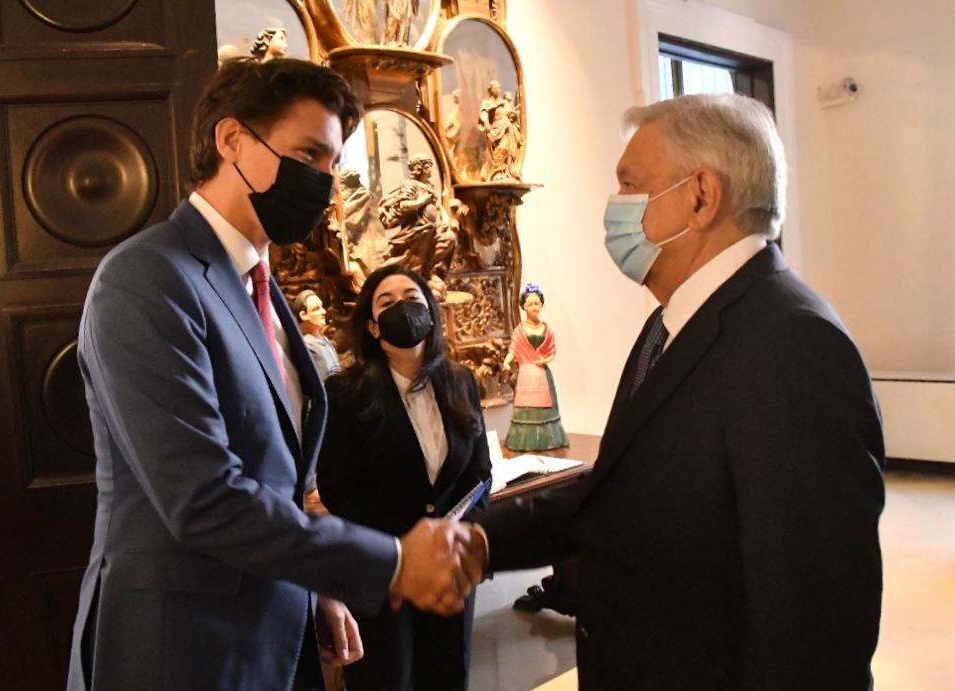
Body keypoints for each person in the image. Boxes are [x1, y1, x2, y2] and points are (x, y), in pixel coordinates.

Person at [66, 58, 478, 691]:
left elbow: (281, 475)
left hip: (274, 631)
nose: (325, 182)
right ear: (233, 140)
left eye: (333, 164)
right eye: (309, 154)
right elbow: (202, 498)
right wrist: (392, 562)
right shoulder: (147, 278)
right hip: (183, 646)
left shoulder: (260, 284)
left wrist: (317, 589)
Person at [465, 93, 886, 689]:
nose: (615, 205)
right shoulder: (670, 324)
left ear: (701, 196)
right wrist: (482, 540)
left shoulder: (795, 344)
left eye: (630, 184)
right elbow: (624, 489)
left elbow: (815, 625)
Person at [317, 265, 492, 691]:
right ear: (373, 327)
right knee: (387, 679)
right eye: (387, 302)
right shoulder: (345, 393)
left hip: (449, 568)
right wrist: (407, 549)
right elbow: (340, 491)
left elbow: (480, 477)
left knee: (448, 676)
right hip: (384, 571)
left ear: (430, 312)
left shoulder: (462, 382)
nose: (403, 307)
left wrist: (456, 541)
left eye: (412, 299)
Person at [502, 283, 569, 451]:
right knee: (527, 408)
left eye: (537, 303)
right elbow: (513, 349)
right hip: (526, 375)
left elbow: (552, 352)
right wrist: (507, 361)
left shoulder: (547, 329)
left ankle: (549, 440)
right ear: (524, 306)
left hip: (542, 374)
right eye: (530, 304)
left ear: (541, 304)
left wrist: (545, 359)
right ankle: (524, 441)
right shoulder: (519, 331)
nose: (534, 307)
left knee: (545, 408)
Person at [293, 289, 341, 382]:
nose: (324, 311)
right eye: (316, 309)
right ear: (304, 315)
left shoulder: (324, 340)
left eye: (322, 307)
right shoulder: (306, 345)